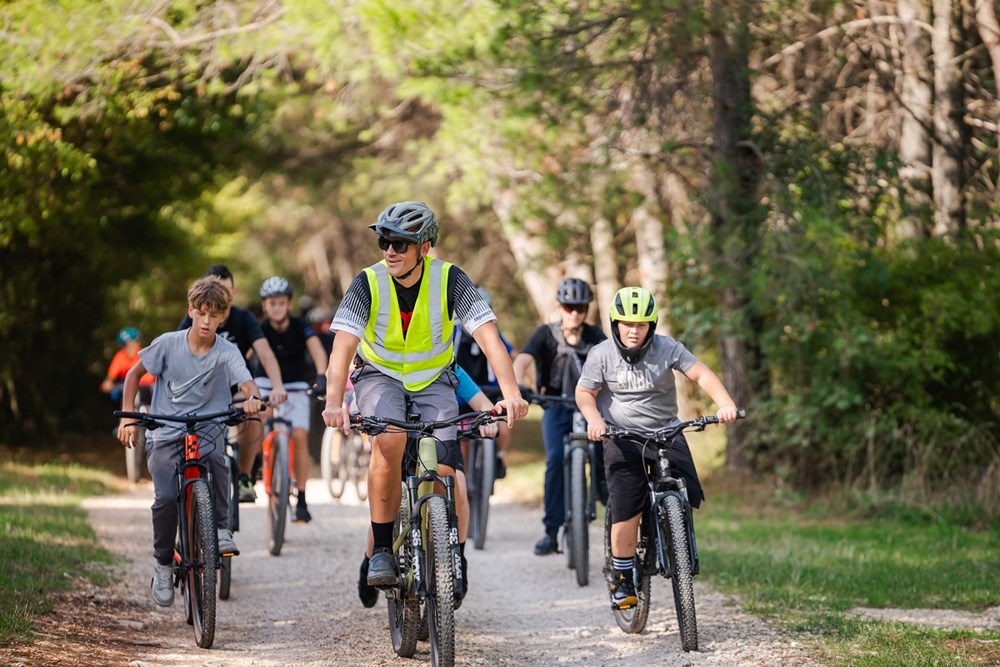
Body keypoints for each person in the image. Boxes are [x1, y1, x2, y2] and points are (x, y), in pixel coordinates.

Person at [321, 200, 529, 601]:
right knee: (390, 438)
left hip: (434, 379)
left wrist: (511, 395)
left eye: (401, 243)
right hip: (378, 376)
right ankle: (381, 549)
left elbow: (489, 339)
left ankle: (448, 553)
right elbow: (342, 349)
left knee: (446, 468)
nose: (390, 251)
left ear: (426, 247)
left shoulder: (451, 280)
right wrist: (334, 402)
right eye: (385, 241)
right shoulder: (367, 282)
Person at [575, 286, 739, 609]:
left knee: (689, 496)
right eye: (626, 323)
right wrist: (595, 420)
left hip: (666, 431)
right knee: (626, 505)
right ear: (615, 323)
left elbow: (700, 373)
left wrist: (725, 404)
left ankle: (670, 531)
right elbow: (585, 394)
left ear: (651, 325)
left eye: (640, 324)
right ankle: (621, 575)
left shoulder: (667, 348)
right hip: (621, 437)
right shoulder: (601, 354)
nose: (633, 331)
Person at [117, 277, 265, 607]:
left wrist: (253, 397)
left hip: (208, 428)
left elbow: (246, 381)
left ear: (223, 317)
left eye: (214, 316)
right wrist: (128, 417)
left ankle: (222, 528)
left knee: (219, 461)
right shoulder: (168, 344)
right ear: (191, 311)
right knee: (166, 496)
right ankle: (164, 565)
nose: (206, 321)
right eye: (200, 313)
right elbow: (132, 376)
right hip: (166, 431)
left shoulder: (227, 352)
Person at [356, 364, 500, 609]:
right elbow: (362, 402)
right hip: (397, 438)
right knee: (387, 501)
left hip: (436, 442)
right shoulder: (377, 366)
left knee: (459, 486)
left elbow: (476, 397)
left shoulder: (444, 366)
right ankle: (372, 558)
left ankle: (457, 557)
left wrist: (488, 416)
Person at [512, 277, 606, 556]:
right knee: (554, 460)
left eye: (579, 307)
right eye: (568, 307)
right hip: (555, 406)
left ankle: (604, 496)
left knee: (603, 453)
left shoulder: (596, 337)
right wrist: (518, 387)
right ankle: (551, 532)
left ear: (586, 309)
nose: (574, 313)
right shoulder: (545, 334)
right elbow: (521, 361)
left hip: (589, 408)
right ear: (559, 306)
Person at [179, 265, 287, 503]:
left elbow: (265, 352)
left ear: (233, 292)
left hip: (237, 386)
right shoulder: (195, 317)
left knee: (258, 412)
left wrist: (277, 385)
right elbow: (176, 355)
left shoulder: (243, 318)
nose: (218, 296)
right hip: (201, 389)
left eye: (224, 291)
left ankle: (245, 475)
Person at [255, 276, 329, 523]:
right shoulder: (260, 329)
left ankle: (302, 498)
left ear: (289, 304)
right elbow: (245, 353)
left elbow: (317, 350)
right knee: (257, 417)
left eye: (281, 303)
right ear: (265, 306)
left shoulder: (300, 325)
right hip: (265, 383)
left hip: (296, 386)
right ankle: (255, 462)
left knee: (299, 435)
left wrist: (321, 375)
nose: (276, 307)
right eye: (272, 303)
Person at [454, 285, 515, 477]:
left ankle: (497, 456)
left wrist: (521, 382)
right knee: (461, 438)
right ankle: (463, 476)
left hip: (489, 390)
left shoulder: (491, 333)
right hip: (460, 393)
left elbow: (512, 354)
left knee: (503, 426)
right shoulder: (453, 334)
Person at [100, 327, 155, 405]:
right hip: (127, 388)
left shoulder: (143, 355)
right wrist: (108, 383)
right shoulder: (120, 356)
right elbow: (111, 375)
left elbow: (150, 377)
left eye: (133, 343)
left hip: (145, 390)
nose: (130, 347)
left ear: (138, 343)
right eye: (126, 345)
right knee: (115, 394)